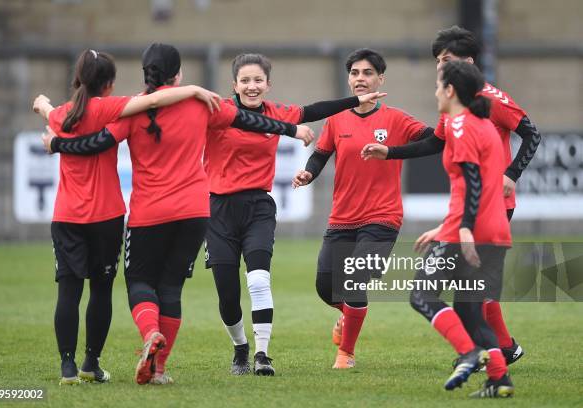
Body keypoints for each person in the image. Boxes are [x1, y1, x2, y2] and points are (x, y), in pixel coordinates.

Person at [41, 43, 315, 385]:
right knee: (171, 287)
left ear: (146, 74)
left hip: (149, 212)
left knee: (140, 282)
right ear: (179, 74)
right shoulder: (200, 104)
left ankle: (150, 333)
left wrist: (56, 143)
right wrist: (293, 129)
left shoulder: (131, 111)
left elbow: (95, 142)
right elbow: (249, 119)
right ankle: (159, 368)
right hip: (195, 210)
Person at [32, 48, 221, 385]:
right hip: (107, 215)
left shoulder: (60, 114)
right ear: (109, 84)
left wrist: (47, 114)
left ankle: (67, 369)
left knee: (69, 292)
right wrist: (193, 89)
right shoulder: (110, 107)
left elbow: (53, 114)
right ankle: (93, 363)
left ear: (77, 79)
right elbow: (151, 102)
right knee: (103, 291)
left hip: (67, 215)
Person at [362, 26, 541, 366]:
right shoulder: (454, 103)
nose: (439, 66)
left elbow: (531, 134)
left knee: (453, 291)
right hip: (470, 210)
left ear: (468, 61)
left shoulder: (491, 98)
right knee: (471, 290)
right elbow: (436, 143)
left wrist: (511, 174)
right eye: (437, 61)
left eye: (446, 59)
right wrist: (390, 152)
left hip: (491, 208)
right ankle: (501, 352)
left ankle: (483, 355)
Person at [204, 53, 385, 376]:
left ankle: (262, 355)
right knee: (228, 293)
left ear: (268, 84)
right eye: (245, 80)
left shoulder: (278, 109)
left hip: (259, 207)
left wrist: (355, 100)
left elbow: (315, 110)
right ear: (234, 85)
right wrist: (291, 130)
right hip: (218, 210)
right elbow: (260, 123)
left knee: (259, 280)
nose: (252, 86)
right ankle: (240, 348)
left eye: (258, 80)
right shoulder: (222, 112)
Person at [367, 60, 515, 397]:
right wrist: (446, 227)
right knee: (468, 308)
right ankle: (499, 378)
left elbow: (473, 182)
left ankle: (468, 353)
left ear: (450, 90)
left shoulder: (461, 126)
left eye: (438, 86)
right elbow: (478, 186)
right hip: (492, 230)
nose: (435, 92)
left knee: (421, 295)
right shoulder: (480, 124)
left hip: (470, 230)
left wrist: (461, 228)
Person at [292, 48, 435, 369]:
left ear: (380, 79)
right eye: (355, 73)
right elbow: (321, 154)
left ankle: (346, 353)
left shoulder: (396, 118)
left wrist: (392, 151)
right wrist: (308, 173)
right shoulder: (337, 118)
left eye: (367, 73)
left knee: (354, 278)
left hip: (383, 217)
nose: (360, 79)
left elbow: (435, 140)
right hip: (342, 217)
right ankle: (348, 317)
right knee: (326, 288)